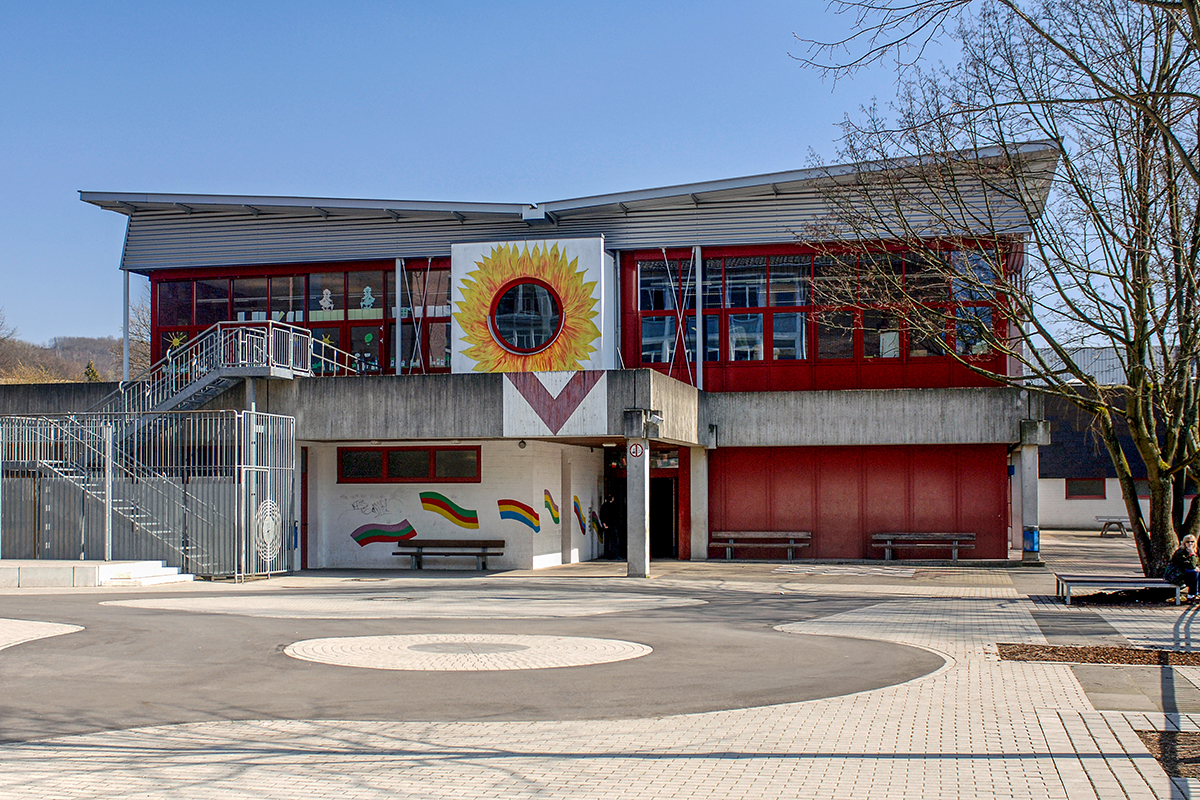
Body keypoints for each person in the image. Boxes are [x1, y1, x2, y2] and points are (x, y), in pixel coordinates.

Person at [1164, 534, 1200, 598]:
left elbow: (1197, 563)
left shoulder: (1197, 551)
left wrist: (1198, 567)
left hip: (1188, 574)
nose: (1190, 543)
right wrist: (1192, 554)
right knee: (1194, 573)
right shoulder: (1180, 553)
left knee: (1196, 572)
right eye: (1188, 542)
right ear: (1184, 543)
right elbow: (1191, 566)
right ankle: (1191, 594)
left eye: (1192, 542)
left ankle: (1196, 593)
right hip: (1177, 575)